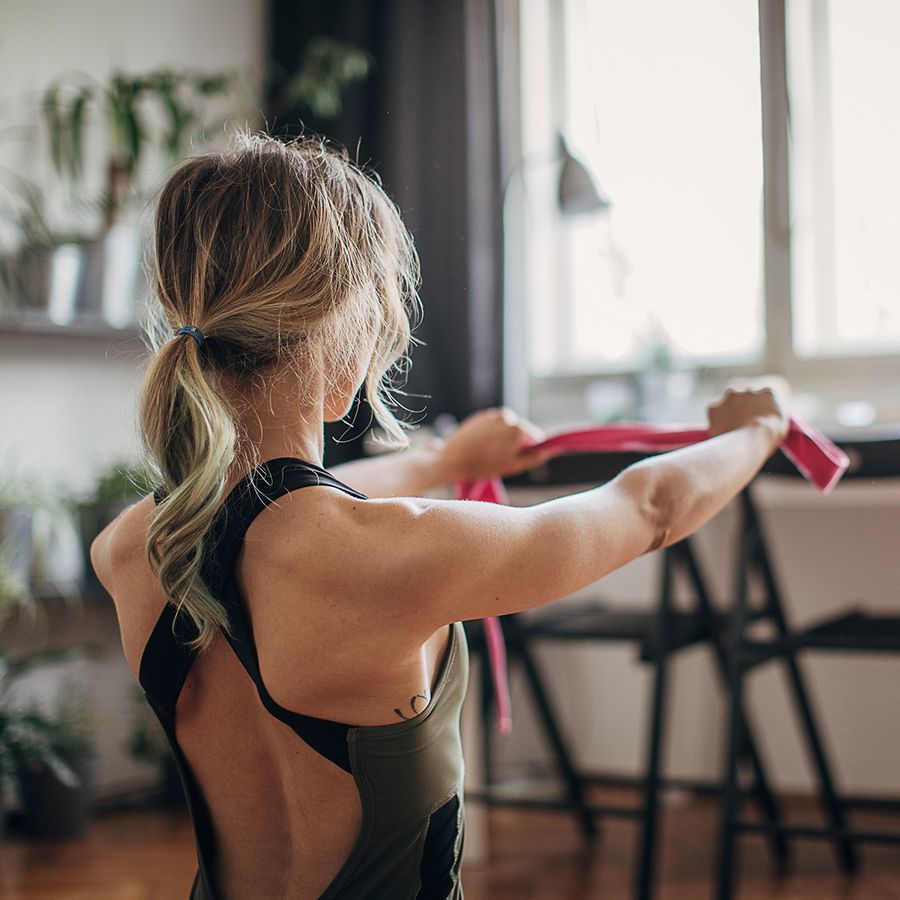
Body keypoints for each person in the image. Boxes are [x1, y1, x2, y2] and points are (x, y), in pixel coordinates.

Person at [90, 130, 790, 900]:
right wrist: (759, 431)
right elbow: (648, 506)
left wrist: (445, 461)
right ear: (345, 337)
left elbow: (266, 505)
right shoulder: (394, 554)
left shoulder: (127, 550)